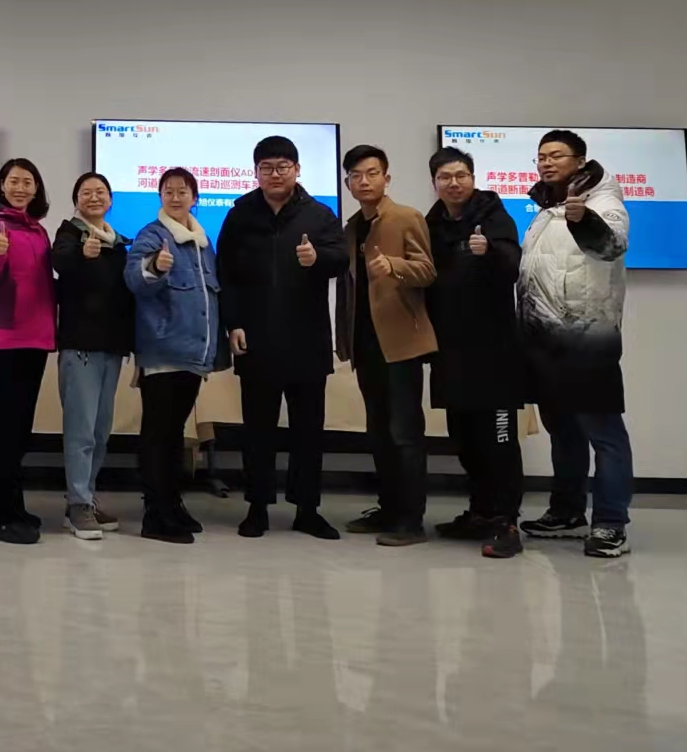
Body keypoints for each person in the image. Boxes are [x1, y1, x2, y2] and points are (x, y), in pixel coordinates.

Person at [217, 135, 349, 540]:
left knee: (308, 430)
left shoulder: (319, 214)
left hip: (307, 337)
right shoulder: (240, 215)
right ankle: (257, 507)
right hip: (255, 337)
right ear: (256, 172)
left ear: (297, 170)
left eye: (282, 167)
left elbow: (342, 259)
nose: (275, 174)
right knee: (257, 429)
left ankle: (307, 510)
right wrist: (233, 323)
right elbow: (226, 274)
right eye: (267, 168)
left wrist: (318, 258)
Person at [518, 130, 634, 558]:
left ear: (580, 161)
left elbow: (612, 246)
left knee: (604, 434)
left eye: (557, 155)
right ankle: (567, 512)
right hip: (545, 341)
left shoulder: (603, 202)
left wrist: (584, 218)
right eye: (541, 157)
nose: (547, 163)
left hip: (587, 340)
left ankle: (611, 523)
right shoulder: (545, 211)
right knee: (563, 431)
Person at [425, 146, 525, 559]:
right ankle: (481, 512)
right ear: (434, 182)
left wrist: (490, 253)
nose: (454, 183)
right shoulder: (432, 223)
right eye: (445, 177)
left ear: (472, 177)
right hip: (452, 351)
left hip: (494, 353)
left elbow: (513, 266)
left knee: (499, 441)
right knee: (464, 439)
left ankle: (507, 523)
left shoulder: (494, 217)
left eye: (461, 175)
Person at [335, 145, 438, 547]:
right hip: (365, 343)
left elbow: (427, 271)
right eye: (356, 176)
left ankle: (411, 521)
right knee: (378, 431)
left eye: (372, 173)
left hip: (401, 343)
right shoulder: (352, 227)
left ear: (386, 178)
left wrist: (395, 266)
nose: (364, 181)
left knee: (405, 433)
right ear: (347, 183)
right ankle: (389, 508)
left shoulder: (406, 217)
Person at [126, 167, 222, 545]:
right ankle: (155, 513)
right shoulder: (153, 235)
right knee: (159, 434)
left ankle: (172, 503)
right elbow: (133, 279)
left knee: (174, 434)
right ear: (160, 197)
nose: (176, 197)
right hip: (163, 350)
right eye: (169, 191)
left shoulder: (202, 243)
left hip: (194, 353)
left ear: (194, 197)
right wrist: (155, 266)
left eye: (183, 191)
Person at [0, 157, 56, 544]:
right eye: (13, 181)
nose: (20, 188)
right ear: (2, 186)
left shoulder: (37, 228)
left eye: (27, 182)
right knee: (6, 428)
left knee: (20, 428)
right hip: (6, 337)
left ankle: (7, 502)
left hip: (36, 337)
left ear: (36, 189)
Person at [51, 172, 135, 540]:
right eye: (86, 192)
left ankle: (86, 496)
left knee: (100, 431)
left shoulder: (118, 243)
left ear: (111, 199)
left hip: (111, 347)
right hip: (80, 346)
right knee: (81, 431)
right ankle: (77, 505)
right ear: (76, 200)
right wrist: (82, 255)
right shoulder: (69, 234)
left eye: (101, 191)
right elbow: (60, 263)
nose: (94, 197)